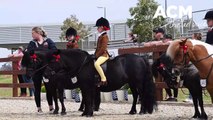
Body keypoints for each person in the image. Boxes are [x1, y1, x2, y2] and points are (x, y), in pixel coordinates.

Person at [26, 27, 57, 113]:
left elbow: (54, 50)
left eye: (33, 33)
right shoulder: (32, 43)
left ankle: (51, 107)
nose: (32, 35)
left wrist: (40, 52)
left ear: (38, 33)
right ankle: (39, 108)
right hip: (37, 69)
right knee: (37, 88)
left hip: (47, 69)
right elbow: (29, 52)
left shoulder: (48, 41)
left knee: (49, 88)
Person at [65, 27, 81, 102]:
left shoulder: (75, 44)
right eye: (68, 36)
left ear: (74, 36)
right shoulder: (68, 44)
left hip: (75, 63)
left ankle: (76, 95)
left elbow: (72, 53)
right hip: (69, 63)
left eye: (71, 36)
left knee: (75, 78)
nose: (69, 37)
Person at [94, 17, 110, 86]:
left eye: (98, 27)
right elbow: (98, 48)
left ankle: (103, 79)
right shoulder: (100, 36)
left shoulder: (104, 36)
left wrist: (96, 55)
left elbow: (103, 48)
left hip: (104, 55)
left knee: (96, 64)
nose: (97, 29)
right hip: (100, 54)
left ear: (102, 27)